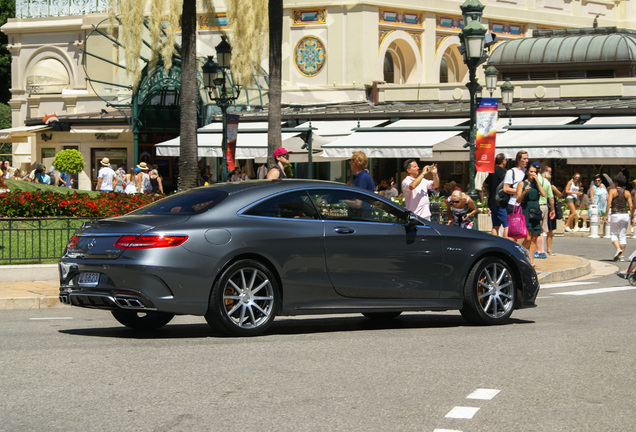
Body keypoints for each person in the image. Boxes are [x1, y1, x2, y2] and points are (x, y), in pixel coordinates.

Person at [517, 163, 546, 268]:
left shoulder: (537, 184)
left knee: (534, 237)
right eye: (531, 172)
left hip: (536, 210)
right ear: (527, 172)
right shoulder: (522, 183)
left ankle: (531, 261)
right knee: (528, 238)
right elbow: (518, 200)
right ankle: (521, 256)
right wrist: (524, 191)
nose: (533, 174)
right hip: (526, 209)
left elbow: (543, 194)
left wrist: (537, 181)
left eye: (535, 172)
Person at [605, 173, 633, 261]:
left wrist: (606, 215)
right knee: (623, 235)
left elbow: (609, 204)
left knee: (613, 233)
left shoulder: (612, 191)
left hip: (615, 214)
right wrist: (631, 217)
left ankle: (618, 249)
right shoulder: (627, 192)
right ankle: (622, 256)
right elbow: (631, 206)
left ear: (616, 182)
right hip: (625, 214)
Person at [533, 163, 555, 259]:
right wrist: (552, 209)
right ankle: (541, 251)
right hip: (545, 206)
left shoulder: (533, 180)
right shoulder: (546, 182)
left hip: (537, 207)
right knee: (541, 231)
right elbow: (551, 198)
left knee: (536, 230)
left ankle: (537, 250)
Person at [485, 153, 509, 238]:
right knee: (507, 225)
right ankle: (506, 245)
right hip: (500, 202)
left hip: (491, 201)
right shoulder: (503, 172)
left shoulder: (492, 171)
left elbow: (485, 184)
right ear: (503, 161)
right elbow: (507, 185)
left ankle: (494, 242)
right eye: (506, 160)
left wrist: (489, 193)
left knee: (495, 225)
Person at [503, 150, 528, 214]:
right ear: (518, 160)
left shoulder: (528, 172)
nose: (527, 161)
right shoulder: (511, 172)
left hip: (526, 204)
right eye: (524, 159)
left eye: (527, 158)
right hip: (514, 203)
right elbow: (505, 188)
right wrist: (520, 191)